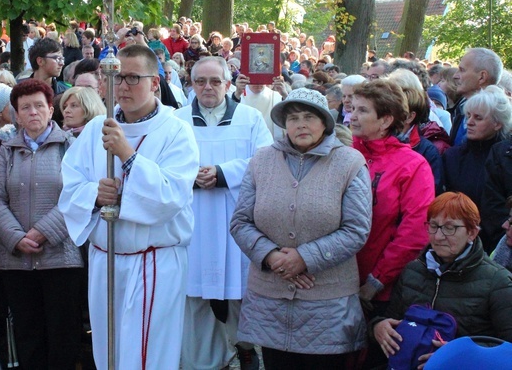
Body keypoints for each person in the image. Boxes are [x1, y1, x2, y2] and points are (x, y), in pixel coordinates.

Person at [58, 44, 200, 369]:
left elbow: (171, 197)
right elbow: (70, 184)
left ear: (154, 83)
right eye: (117, 76)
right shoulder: (96, 128)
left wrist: (127, 155)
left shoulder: (176, 131)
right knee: (109, 351)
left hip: (152, 260)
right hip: (105, 257)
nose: (122, 86)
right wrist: (95, 194)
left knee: (146, 356)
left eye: (133, 77)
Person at [230, 88, 372, 369]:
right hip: (270, 297)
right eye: (293, 118)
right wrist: (272, 257)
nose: (301, 124)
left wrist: (305, 258)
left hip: (326, 303)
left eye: (309, 116)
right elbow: (240, 221)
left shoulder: (350, 163)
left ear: (324, 123)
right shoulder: (261, 161)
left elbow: (356, 228)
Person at [175, 57, 272, 370]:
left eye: (215, 81)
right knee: (193, 298)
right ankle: (201, 361)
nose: (207, 87)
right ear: (191, 84)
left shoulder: (250, 119)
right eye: (200, 81)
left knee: (238, 294)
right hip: (191, 223)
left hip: (234, 221)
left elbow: (265, 163)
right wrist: (191, 176)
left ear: (228, 85)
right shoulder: (177, 121)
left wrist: (221, 173)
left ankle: (244, 350)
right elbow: (163, 164)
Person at [0, 79, 83, 369]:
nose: (33, 113)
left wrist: (43, 232)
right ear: (16, 114)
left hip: (61, 259)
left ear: (51, 109)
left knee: (62, 336)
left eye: (39, 106)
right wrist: (15, 237)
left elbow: (78, 196)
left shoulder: (70, 147)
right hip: (16, 261)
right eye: (24, 107)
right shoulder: (7, 151)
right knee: (28, 336)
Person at [372, 192, 512, 368]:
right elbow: (392, 318)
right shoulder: (413, 271)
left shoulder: (497, 281)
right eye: (433, 226)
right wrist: (378, 326)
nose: (438, 237)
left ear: (472, 233)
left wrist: (458, 355)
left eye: (449, 228)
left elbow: (507, 350)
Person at [350, 80, 435, 324]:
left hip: (381, 290)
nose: (352, 116)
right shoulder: (342, 153)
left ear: (386, 120)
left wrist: (376, 281)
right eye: (352, 108)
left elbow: (415, 232)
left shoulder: (412, 165)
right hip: (332, 282)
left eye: (362, 110)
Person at [444, 85, 512, 253]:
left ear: (497, 124)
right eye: (468, 116)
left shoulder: (505, 158)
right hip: (457, 242)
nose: (469, 122)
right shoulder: (452, 157)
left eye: (478, 118)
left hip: (495, 244)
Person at [451, 48, 503, 146]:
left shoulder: (499, 117)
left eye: (462, 70)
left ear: (482, 77)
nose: (455, 76)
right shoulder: (459, 110)